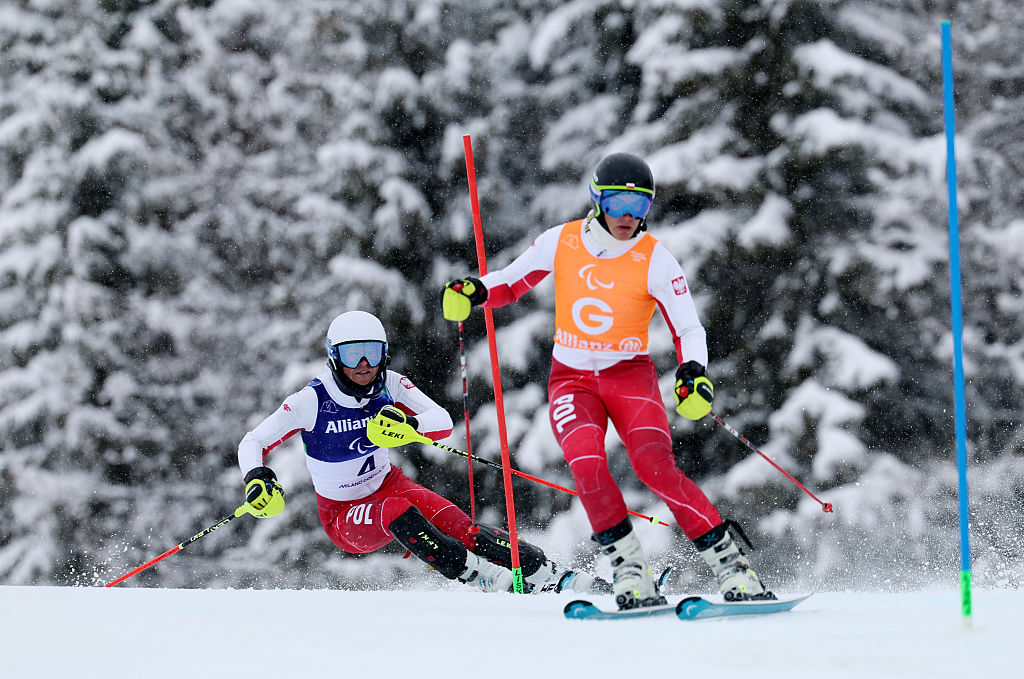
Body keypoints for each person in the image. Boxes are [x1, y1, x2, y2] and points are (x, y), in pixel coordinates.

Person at [442, 152, 772, 609]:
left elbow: (687, 328)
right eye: (618, 203)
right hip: (571, 381)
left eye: (640, 206)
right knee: (588, 466)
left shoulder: (655, 258)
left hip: (630, 378)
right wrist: (473, 290)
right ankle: (630, 572)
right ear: (598, 200)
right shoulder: (563, 241)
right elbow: (511, 282)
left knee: (656, 468)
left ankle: (733, 568)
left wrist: (693, 372)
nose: (628, 216)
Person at [237, 309, 609, 595]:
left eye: (372, 353)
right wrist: (257, 477)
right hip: (343, 515)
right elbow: (252, 442)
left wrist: (410, 425)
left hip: (391, 484)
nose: (364, 365)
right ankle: (483, 578)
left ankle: (556, 576)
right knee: (397, 511)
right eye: (352, 355)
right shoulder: (311, 401)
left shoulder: (392, 384)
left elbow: (441, 420)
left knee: (465, 529)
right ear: (334, 357)